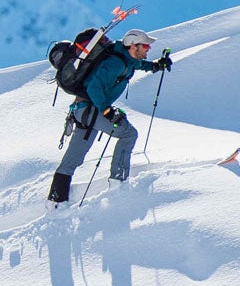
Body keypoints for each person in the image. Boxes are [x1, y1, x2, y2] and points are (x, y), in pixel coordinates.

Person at [49, 28, 171, 203]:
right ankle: (118, 184)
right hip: (92, 109)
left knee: (72, 160)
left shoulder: (126, 59)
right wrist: (107, 111)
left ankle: (55, 202)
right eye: (145, 46)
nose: (148, 48)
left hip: (83, 111)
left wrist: (156, 65)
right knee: (128, 134)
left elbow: (138, 65)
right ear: (133, 46)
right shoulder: (115, 63)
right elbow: (94, 88)